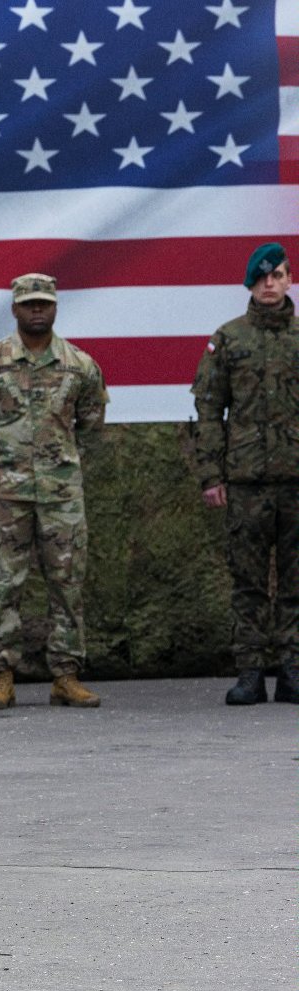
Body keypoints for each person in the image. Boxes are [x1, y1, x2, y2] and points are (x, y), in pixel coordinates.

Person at [0, 274, 108, 709]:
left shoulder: (79, 365)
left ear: (55, 307)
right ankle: (1, 675)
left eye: (44, 303)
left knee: (68, 583)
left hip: (61, 496)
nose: (37, 310)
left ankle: (66, 675)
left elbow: (93, 427)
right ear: (15, 309)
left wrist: (71, 470)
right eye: (28, 303)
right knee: (1, 583)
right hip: (6, 495)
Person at [192, 243, 299, 705]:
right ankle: (251, 671)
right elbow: (210, 410)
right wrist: (211, 475)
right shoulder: (229, 339)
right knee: (248, 580)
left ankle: (294, 669)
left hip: (296, 478)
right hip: (246, 480)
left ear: (289, 279)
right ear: (250, 285)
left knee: (298, 579)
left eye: (277, 275)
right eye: (261, 278)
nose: (269, 284)